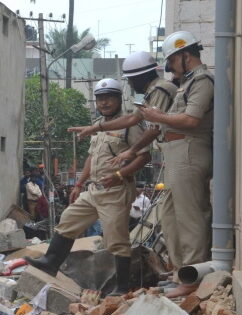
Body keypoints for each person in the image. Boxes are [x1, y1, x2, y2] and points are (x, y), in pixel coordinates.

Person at [26, 79, 151, 296]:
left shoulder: (129, 125)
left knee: (116, 240)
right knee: (68, 219)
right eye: (100, 99)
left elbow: (144, 156)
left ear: (119, 99)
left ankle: (122, 287)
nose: (104, 103)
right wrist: (79, 184)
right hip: (93, 190)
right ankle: (50, 262)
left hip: (116, 191)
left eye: (109, 98)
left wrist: (120, 174)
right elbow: (91, 158)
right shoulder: (98, 125)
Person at [136, 30, 214, 297]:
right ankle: (182, 272)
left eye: (171, 60)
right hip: (176, 153)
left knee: (190, 218)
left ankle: (193, 278)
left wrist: (158, 116)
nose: (169, 67)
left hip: (190, 151)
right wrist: (158, 116)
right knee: (170, 218)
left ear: (185, 55)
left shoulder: (202, 80)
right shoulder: (187, 82)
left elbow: (192, 119)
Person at [68, 51, 178, 165]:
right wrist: (94, 128)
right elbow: (132, 118)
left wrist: (131, 151)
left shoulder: (160, 90)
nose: (130, 84)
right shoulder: (153, 92)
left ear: (140, 77)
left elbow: (154, 129)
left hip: (180, 145)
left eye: (130, 79)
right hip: (172, 148)